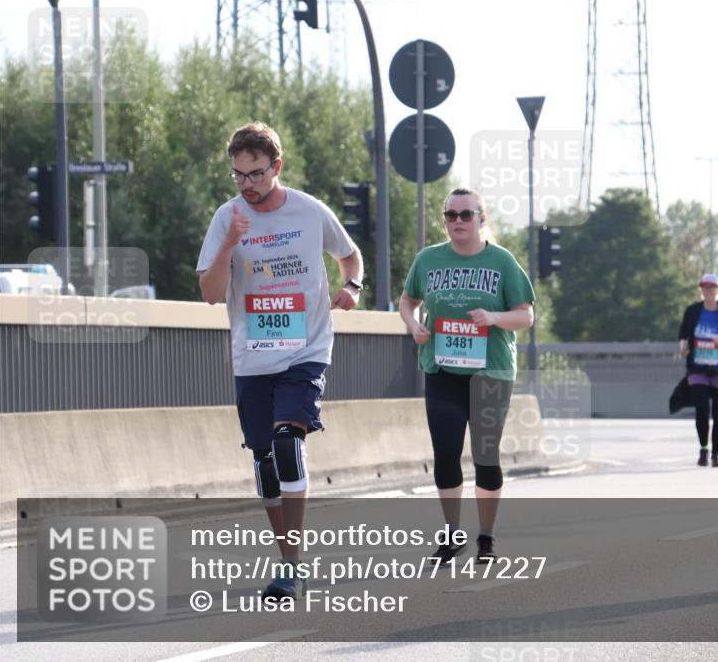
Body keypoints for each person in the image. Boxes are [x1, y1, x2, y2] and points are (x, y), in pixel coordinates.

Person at [197, 122, 364, 598]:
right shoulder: (226, 217)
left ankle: (293, 567)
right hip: (252, 356)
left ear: (277, 167)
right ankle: (285, 555)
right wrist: (231, 241)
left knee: (288, 443)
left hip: (306, 349)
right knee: (266, 463)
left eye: (255, 174)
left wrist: (351, 287)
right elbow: (210, 295)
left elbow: (350, 258)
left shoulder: (310, 211)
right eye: (238, 175)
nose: (246, 184)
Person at [399, 188, 535, 564]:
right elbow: (408, 300)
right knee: (445, 453)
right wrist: (414, 325)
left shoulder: (501, 262)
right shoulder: (428, 259)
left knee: (485, 456)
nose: (457, 221)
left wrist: (493, 318)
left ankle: (486, 537)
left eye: (466, 215)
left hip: (490, 372)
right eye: (450, 215)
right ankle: (452, 533)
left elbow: (525, 316)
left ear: (481, 218)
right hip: (442, 368)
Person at [677, 274, 718, 467]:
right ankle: (703, 449)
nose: (708, 292)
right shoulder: (692, 311)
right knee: (702, 410)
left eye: (712, 288)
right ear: (701, 291)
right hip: (698, 367)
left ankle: (716, 454)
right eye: (705, 288)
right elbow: (683, 334)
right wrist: (683, 347)